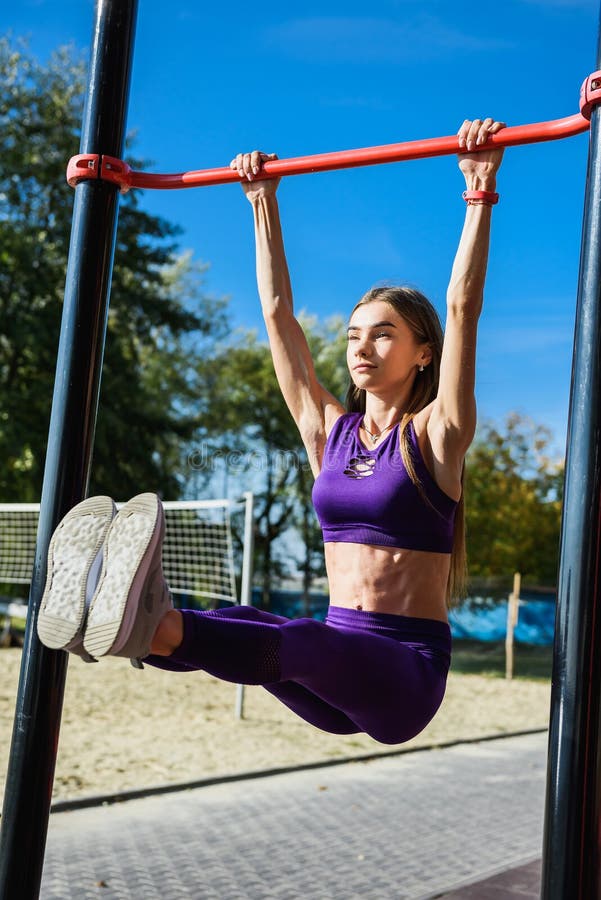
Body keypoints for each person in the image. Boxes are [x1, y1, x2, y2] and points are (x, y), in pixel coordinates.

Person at [37, 118, 505, 745]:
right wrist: (262, 203)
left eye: (384, 332)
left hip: (403, 676)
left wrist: (478, 192)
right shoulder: (328, 435)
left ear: (425, 353)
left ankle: (148, 626)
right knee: (246, 619)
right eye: (353, 334)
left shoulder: (438, 435)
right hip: (334, 667)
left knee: (300, 639)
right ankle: (137, 628)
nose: (362, 346)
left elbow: (461, 307)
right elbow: (279, 317)